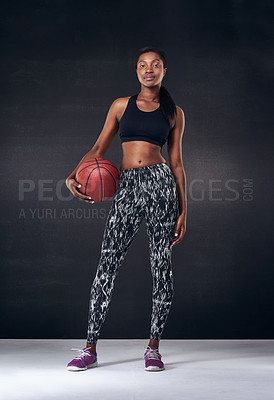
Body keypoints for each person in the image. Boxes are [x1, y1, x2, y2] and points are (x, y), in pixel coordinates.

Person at [65, 46, 187, 372]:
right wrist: (73, 174)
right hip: (127, 187)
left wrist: (184, 210)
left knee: (161, 267)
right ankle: (90, 347)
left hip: (161, 185)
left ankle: (153, 348)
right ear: (137, 71)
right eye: (143, 65)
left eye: (156, 64)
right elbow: (97, 148)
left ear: (163, 70)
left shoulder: (174, 112)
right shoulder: (122, 106)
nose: (149, 70)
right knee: (107, 263)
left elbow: (176, 163)